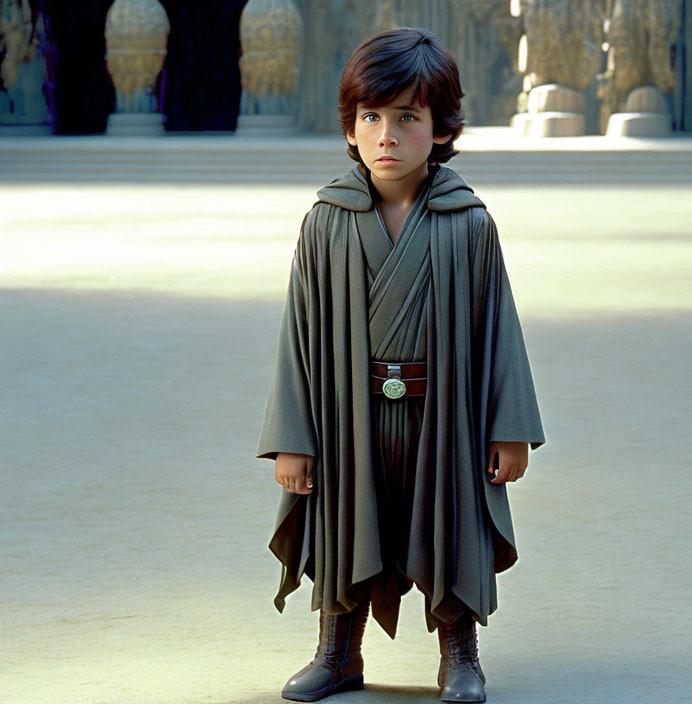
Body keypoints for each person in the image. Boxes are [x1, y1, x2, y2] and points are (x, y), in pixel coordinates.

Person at [256, 26, 545, 703]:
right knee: (343, 522)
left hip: (443, 412)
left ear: (440, 128)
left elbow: (497, 326)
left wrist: (508, 428)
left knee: (451, 523)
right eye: (371, 117)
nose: (387, 134)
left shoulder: (467, 223)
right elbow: (298, 335)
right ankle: (337, 652)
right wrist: (293, 441)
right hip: (348, 415)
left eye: (407, 117)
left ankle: (460, 657)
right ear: (351, 129)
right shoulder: (325, 223)